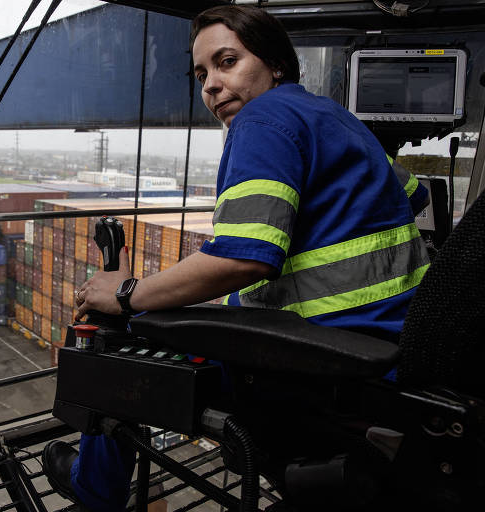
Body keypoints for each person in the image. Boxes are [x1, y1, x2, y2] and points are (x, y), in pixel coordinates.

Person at [42, 5, 430, 511]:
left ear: (275, 65)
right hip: (396, 347)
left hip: (320, 361)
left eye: (228, 62)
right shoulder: (335, 117)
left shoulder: (262, 121)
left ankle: (94, 487)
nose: (211, 86)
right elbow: (414, 195)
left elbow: (243, 260)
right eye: (202, 73)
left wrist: (124, 293)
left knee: (112, 343)